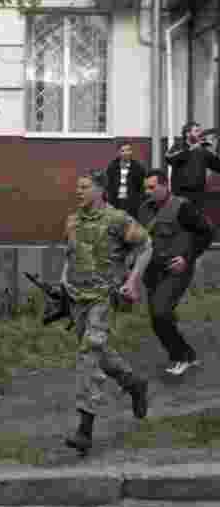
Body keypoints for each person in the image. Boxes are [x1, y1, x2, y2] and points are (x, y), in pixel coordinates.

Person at [60, 171, 151, 453]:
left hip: (103, 298)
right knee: (100, 353)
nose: (79, 191)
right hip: (77, 298)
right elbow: (70, 254)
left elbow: (146, 246)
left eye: (85, 186)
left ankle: (84, 430)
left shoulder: (117, 219)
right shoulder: (73, 220)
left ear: (100, 189)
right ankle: (134, 383)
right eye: (77, 187)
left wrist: (133, 281)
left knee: (89, 355)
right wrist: (63, 279)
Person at [139, 168, 215, 376]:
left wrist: (187, 258)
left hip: (177, 269)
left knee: (161, 312)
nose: (148, 191)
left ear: (165, 186)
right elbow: (140, 239)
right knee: (158, 318)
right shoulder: (144, 209)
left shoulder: (183, 207)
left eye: (152, 187)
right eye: (146, 187)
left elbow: (207, 233)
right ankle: (187, 354)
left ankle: (180, 356)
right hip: (153, 271)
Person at [165, 121, 220, 211]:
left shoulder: (203, 150)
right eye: (196, 131)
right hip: (180, 194)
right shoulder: (178, 146)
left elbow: (217, 165)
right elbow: (169, 159)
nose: (200, 134)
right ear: (187, 133)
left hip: (198, 195)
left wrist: (214, 150)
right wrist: (191, 149)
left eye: (200, 131)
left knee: (197, 222)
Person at [105, 142, 147, 221]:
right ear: (118, 152)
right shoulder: (112, 167)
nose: (125, 153)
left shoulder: (138, 167)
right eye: (123, 151)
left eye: (128, 150)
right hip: (116, 203)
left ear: (131, 152)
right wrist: (108, 200)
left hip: (132, 203)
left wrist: (139, 201)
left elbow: (142, 187)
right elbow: (108, 185)